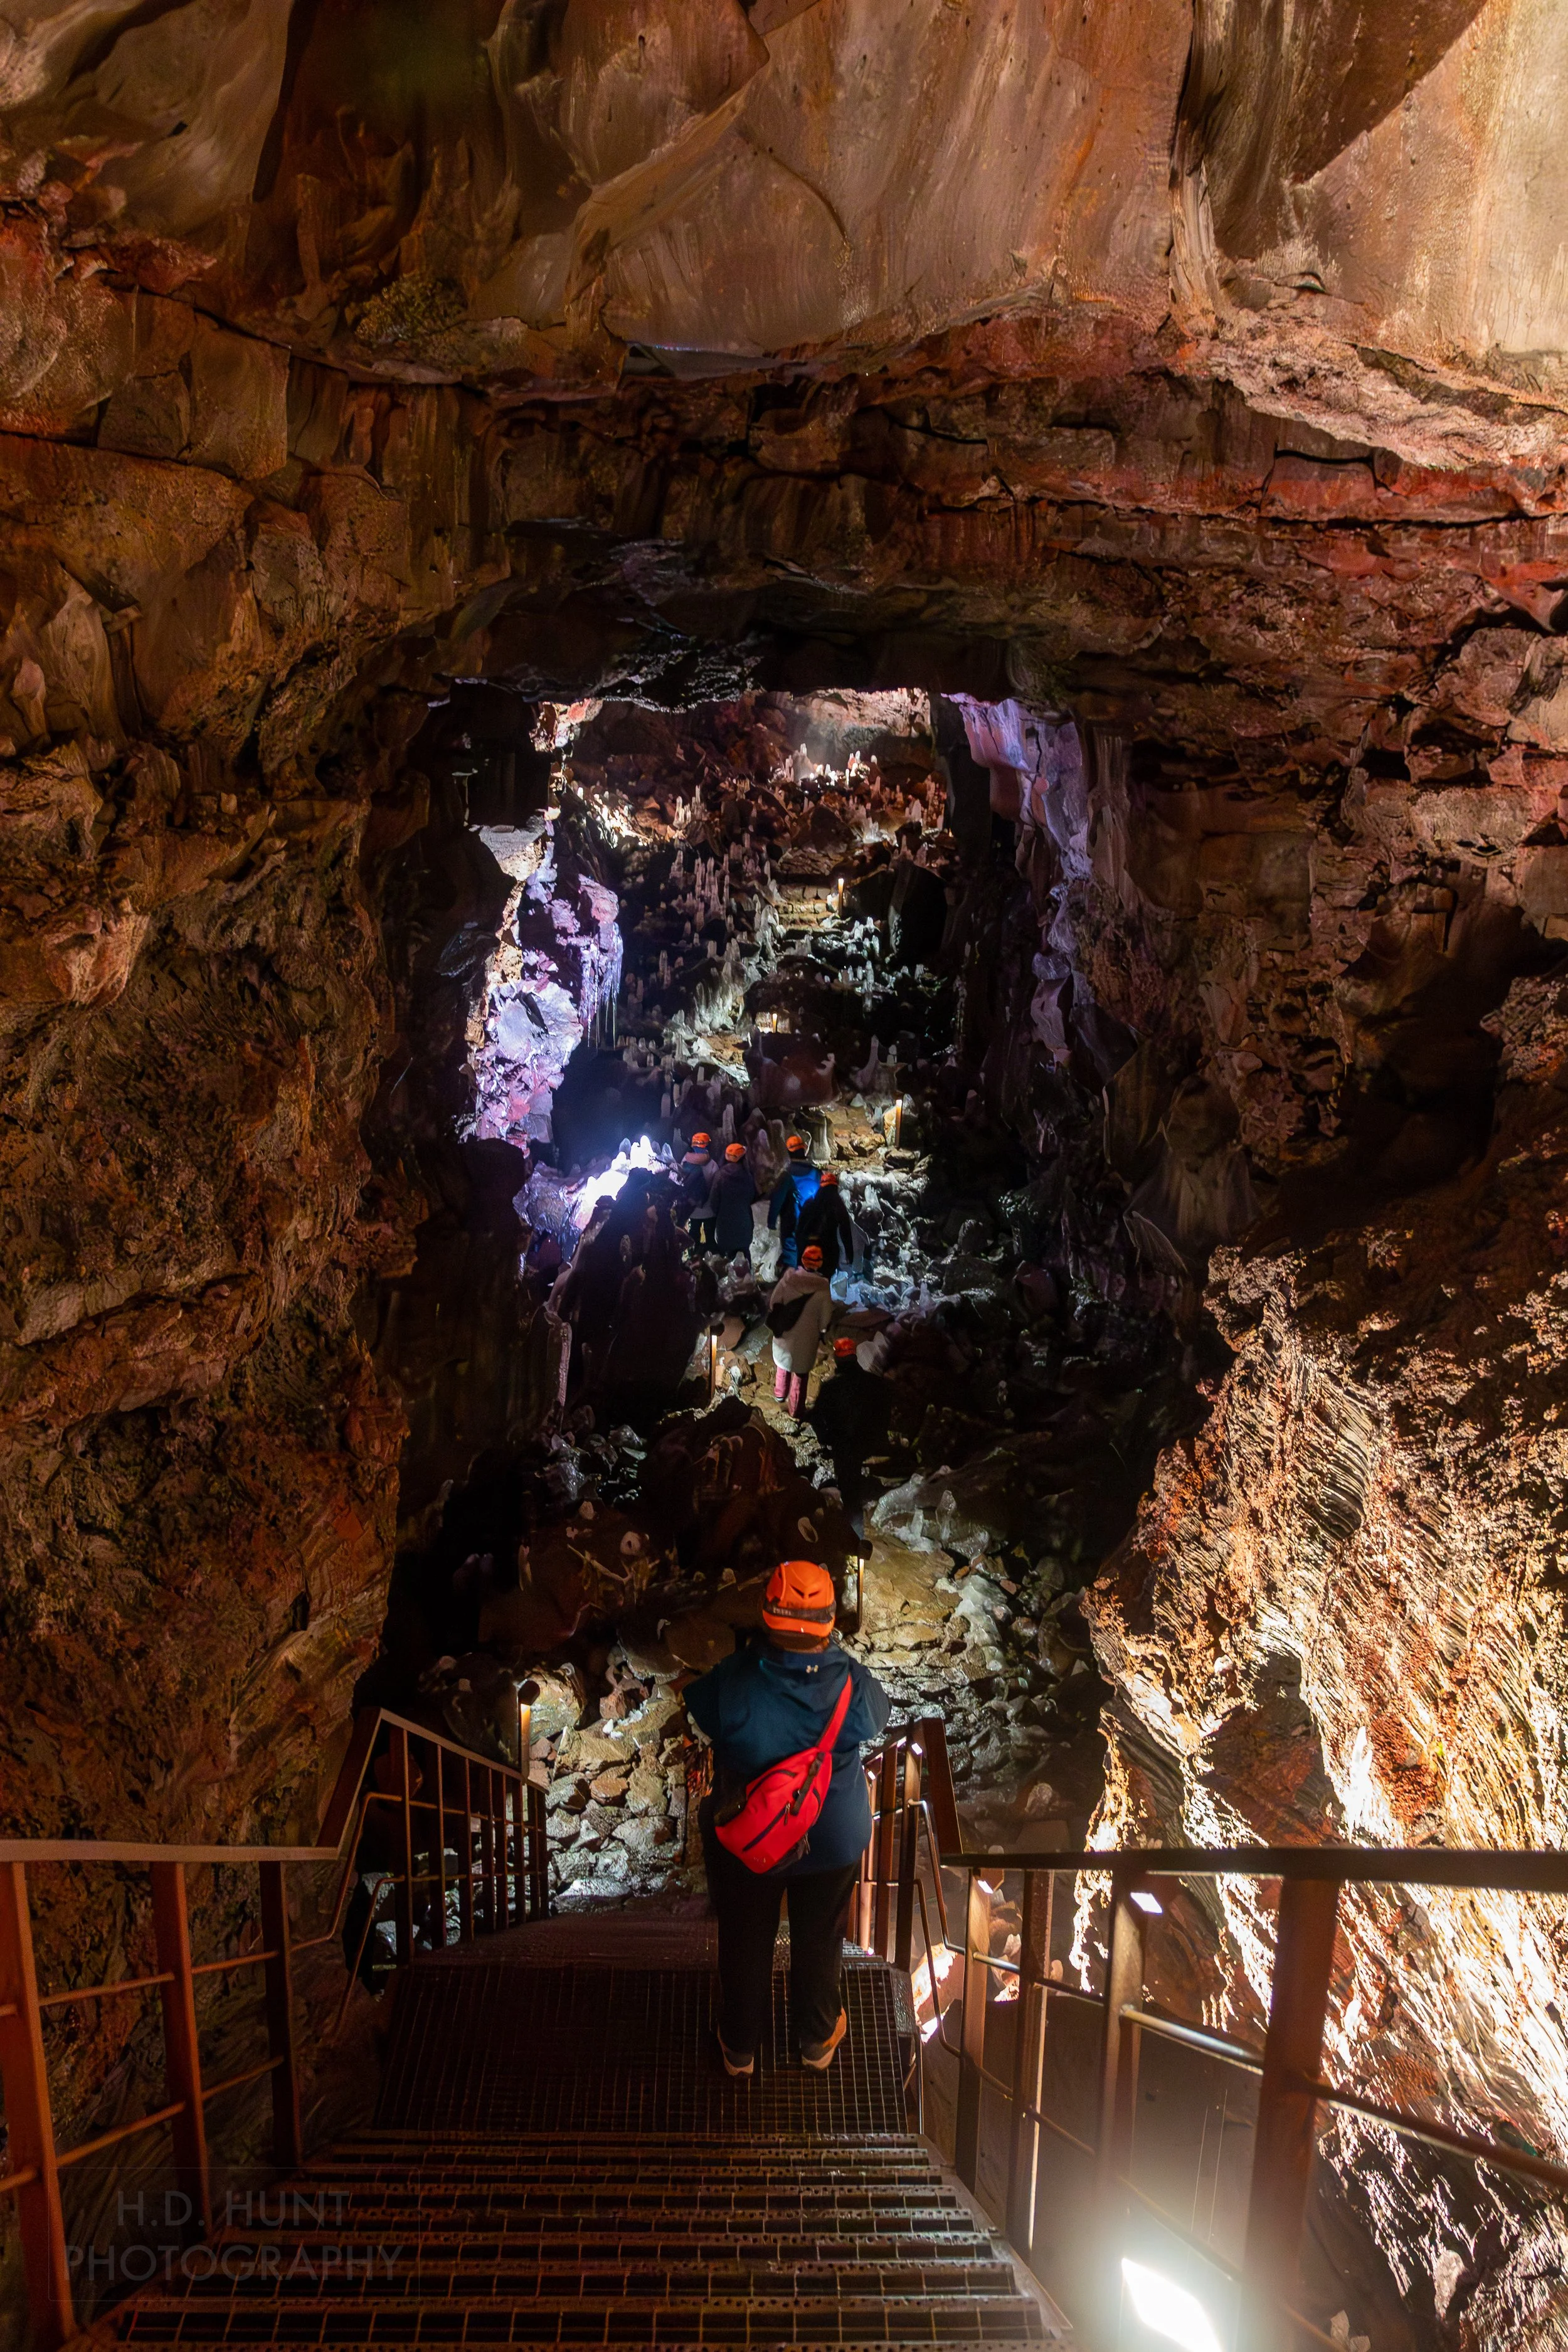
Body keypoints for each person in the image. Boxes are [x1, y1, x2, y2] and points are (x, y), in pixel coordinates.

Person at [688, 1559, 891, 2075]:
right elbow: (880, 1714)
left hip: (752, 1837)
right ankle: (816, 2040)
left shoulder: (732, 1684)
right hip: (830, 1837)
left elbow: (703, 1711)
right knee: (820, 1935)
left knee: (745, 1935)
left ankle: (739, 2046)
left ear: (766, 1616)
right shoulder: (852, 1686)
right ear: (830, 1621)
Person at [805, 1335, 891, 1555]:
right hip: (872, 1441)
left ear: (837, 1359)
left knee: (850, 1494)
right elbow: (885, 1413)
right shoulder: (876, 1384)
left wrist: (827, 1439)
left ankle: (856, 1542)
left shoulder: (831, 1388)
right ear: (855, 1358)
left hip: (845, 1446)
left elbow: (817, 1418)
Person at [768, 1242, 835, 1419]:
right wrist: (821, 1330)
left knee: (783, 1365)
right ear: (819, 1264)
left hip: (784, 1336)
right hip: (806, 1341)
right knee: (800, 1374)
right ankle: (796, 1410)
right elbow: (826, 1317)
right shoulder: (823, 1287)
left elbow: (773, 1302)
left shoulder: (788, 1279)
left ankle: (780, 1394)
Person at [767, 1134, 820, 1268]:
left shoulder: (786, 1175)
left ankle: (793, 1279)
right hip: (812, 1223)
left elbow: (777, 1199)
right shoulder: (816, 1173)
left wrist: (771, 1222)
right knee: (809, 1251)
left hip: (791, 1222)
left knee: (791, 1252)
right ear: (804, 1151)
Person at [793, 1167, 855, 1277]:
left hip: (806, 1249)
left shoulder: (810, 1204)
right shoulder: (839, 1208)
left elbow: (799, 1230)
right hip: (829, 1251)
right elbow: (846, 1233)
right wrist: (851, 1256)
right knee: (823, 1281)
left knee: (804, 1278)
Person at [712, 1140, 758, 1263]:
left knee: (725, 1261)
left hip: (724, 1225)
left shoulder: (721, 1176)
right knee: (745, 1258)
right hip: (744, 1223)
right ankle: (748, 1280)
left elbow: (714, 1202)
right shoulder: (748, 1176)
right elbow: (752, 1196)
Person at [681, 1131, 718, 1249]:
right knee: (710, 1237)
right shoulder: (712, 1164)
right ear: (707, 1146)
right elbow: (716, 1187)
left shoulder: (685, 1161)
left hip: (692, 1207)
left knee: (693, 1235)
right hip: (709, 1209)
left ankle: (692, 1260)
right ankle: (709, 1260)